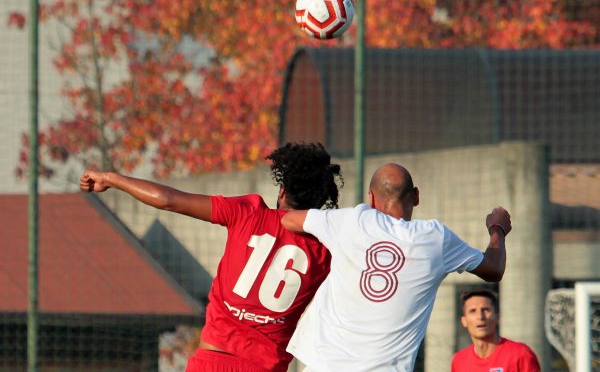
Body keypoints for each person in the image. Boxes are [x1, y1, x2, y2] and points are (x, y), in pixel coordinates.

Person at [79, 142, 344, 372]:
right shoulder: (326, 251)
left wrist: (111, 178)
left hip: (212, 361)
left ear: (283, 191)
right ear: (321, 203)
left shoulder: (248, 212)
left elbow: (168, 199)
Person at [281, 163, 511, 372]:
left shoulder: (350, 221)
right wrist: (497, 230)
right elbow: (494, 268)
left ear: (371, 198)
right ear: (416, 196)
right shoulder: (435, 238)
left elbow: (288, 219)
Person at [451, 290, 541, 372]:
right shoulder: (459, 360)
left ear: (497, 317)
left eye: (486, 310)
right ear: (464, 321)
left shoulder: (520, 354)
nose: (480, 317)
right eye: (473, 311)